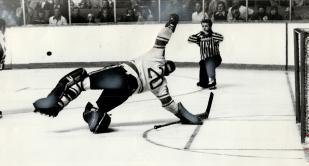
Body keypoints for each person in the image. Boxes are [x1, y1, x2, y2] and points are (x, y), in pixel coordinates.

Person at [33, 14, 203, 133]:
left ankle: (56, 104)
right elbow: (170, 105)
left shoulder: (157, 56)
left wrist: (173, 21)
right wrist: (187, 116)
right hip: (127, 90)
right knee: (99, 113)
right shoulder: (161, 86)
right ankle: (89, 113)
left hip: (122, 75)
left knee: (80, 78)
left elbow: (163, 36)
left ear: (165, 63)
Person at [188, 19, 223, 90]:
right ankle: (203, 82)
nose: (204, 28)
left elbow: (221, 38)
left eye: (206, 26)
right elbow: (190, 39)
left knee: (209, 61)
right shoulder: (200, 35)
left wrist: (209, 36)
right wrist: (199, 37)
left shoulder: (213, 35)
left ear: (210, 26)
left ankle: (212, 82)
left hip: (215, 57)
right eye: (203, 26)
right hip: (204, 58)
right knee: (203, 63)